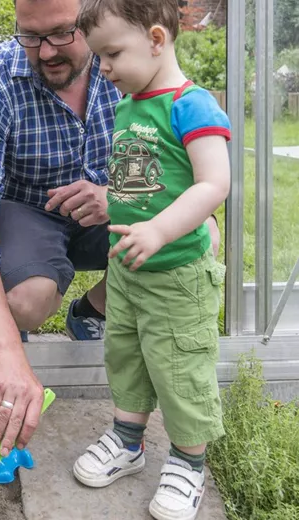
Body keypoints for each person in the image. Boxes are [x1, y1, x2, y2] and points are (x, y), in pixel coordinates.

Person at [0, 0, 220, 461]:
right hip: (32, 213)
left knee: (203, 231)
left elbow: (186, 176)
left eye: (61, 33)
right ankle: (31, 312)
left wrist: (114, 194)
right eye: (31, 36)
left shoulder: (132, 64)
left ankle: (94, 309)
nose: (47, 51)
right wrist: (9, 355)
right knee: (26, 301)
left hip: (115, 207)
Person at [71, 1, 230, 519]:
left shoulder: (192, 105)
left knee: (180, 367)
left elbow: (214, 183)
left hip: (178, 274)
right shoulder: (129, 105)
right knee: (127, 355)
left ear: (157, 40)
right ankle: (128, 439)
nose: (104, 68)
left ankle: (188, 461)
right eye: (99, 57)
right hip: (128, 270)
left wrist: (161, 229)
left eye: (112, 54)